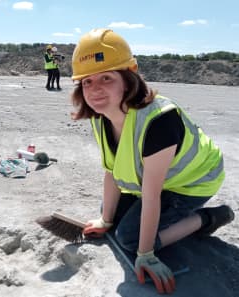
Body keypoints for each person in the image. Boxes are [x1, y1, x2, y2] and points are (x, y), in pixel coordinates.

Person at [70, 28, 235, 294]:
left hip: (192, 182)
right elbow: (111, 171)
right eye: (87, 81)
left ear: (128, 77)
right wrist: (105, 220)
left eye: (106, 78)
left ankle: (208, 218)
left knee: (129, 238)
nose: (95, 89)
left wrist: (146, 253)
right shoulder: (102, 117)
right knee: (110, 212)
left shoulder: (158, 120)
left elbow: (151, 195)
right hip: (159, 182)